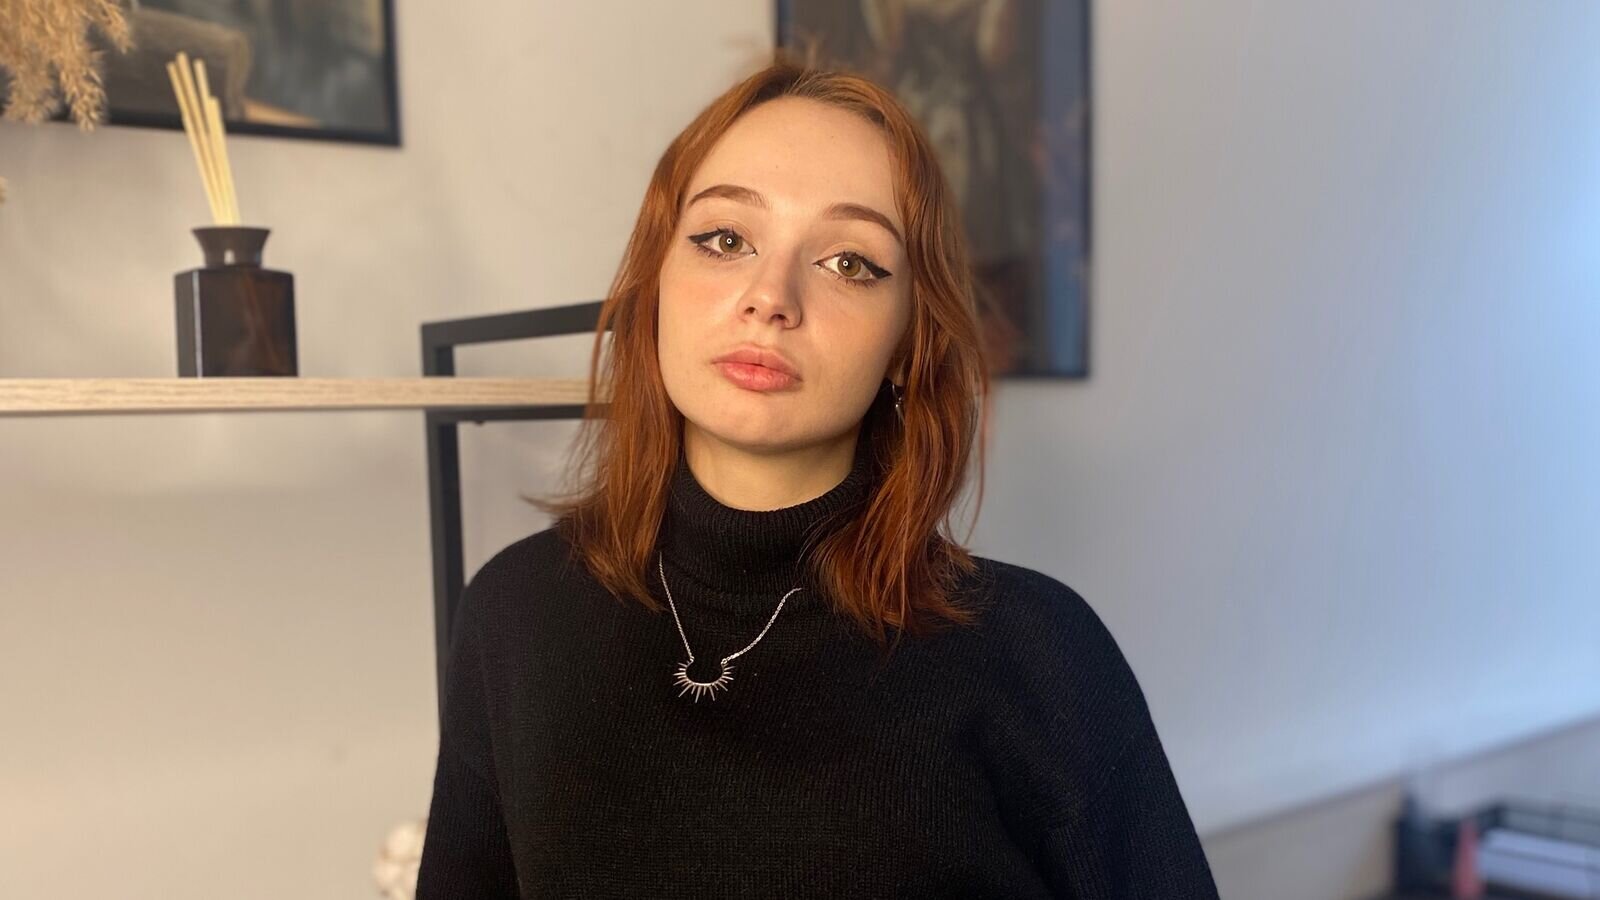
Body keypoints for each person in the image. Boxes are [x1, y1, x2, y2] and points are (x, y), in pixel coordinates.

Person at [415, 52, 1219, 899]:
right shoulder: (513, 613)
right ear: (655, 286)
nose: (771, 296)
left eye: (849, 262)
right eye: (726, 240)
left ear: (908, 344)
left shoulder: (1041, 655)